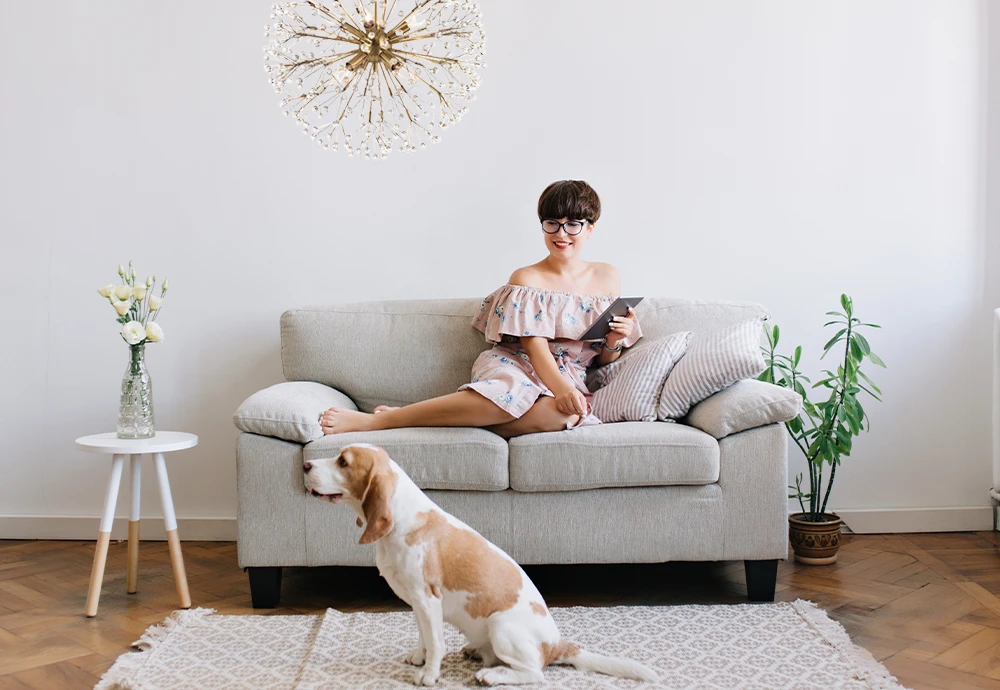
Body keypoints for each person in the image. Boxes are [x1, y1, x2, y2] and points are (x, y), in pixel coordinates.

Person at [319, 180, 642, 438]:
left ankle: (412, 421)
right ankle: (378, 424)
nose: (561, 234)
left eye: (573, 224)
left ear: (590, 227)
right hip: (518, 364)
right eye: (552, 223)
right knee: (511, 393)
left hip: (570, 373)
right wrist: (562, 388)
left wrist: (614, 340)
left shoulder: (607, 276)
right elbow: (535, 346)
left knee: (567, 414)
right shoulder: (527, 277)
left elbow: (603, 358)